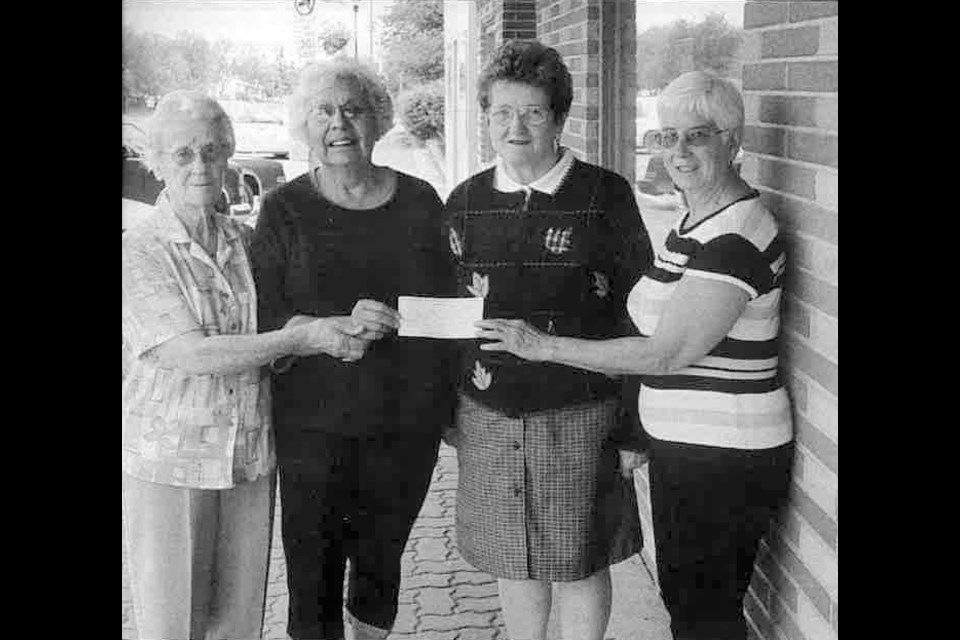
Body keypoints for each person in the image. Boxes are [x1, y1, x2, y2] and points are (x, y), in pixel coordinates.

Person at [473, 70, 795, 640]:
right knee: (692, 603)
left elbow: (668, 353)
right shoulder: (696, 220)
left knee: (705, 612)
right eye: (666, 136)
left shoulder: (736, 235)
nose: (679, 151)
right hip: (693, 448)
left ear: (733, 141)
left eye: (697, 135)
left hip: (722, 451)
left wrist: (543, 347)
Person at [121, 90, 368, 640]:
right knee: (174, 624)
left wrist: (337, 329)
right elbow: (191, 353)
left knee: (237, 623)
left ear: (229, 153)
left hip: (248, 458)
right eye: (182, 154)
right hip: (173, 463)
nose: (200, 165)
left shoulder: (240, 238)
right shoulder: (137, 250)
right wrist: (299, 341)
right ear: (155, 162)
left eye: (212, 150)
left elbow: (275, 324)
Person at [442, 40, 654, 640]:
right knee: (514, 558)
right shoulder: (465, 203)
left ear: (558, 119)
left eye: (533, 112)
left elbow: (637, 315)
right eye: (501, 112)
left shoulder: (604, 196)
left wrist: (634, 427)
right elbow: (451, 315)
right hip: (488, 412)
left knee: (578, 559)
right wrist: (449, 411)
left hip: (581, 413)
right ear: (486, 117)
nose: (516, 126)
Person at [249, 59, 458, 640]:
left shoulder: (420, 201)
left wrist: (451, 407)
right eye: (324, 111)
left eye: (353, 109)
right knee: (311, 568)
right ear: (305, 126)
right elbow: (264, 313)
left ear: (378, 121)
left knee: (382, 558)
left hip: (403, 421)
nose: (339, 123)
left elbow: (450, 303)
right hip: (312, 424)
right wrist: (329, 326)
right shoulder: (284, 209)